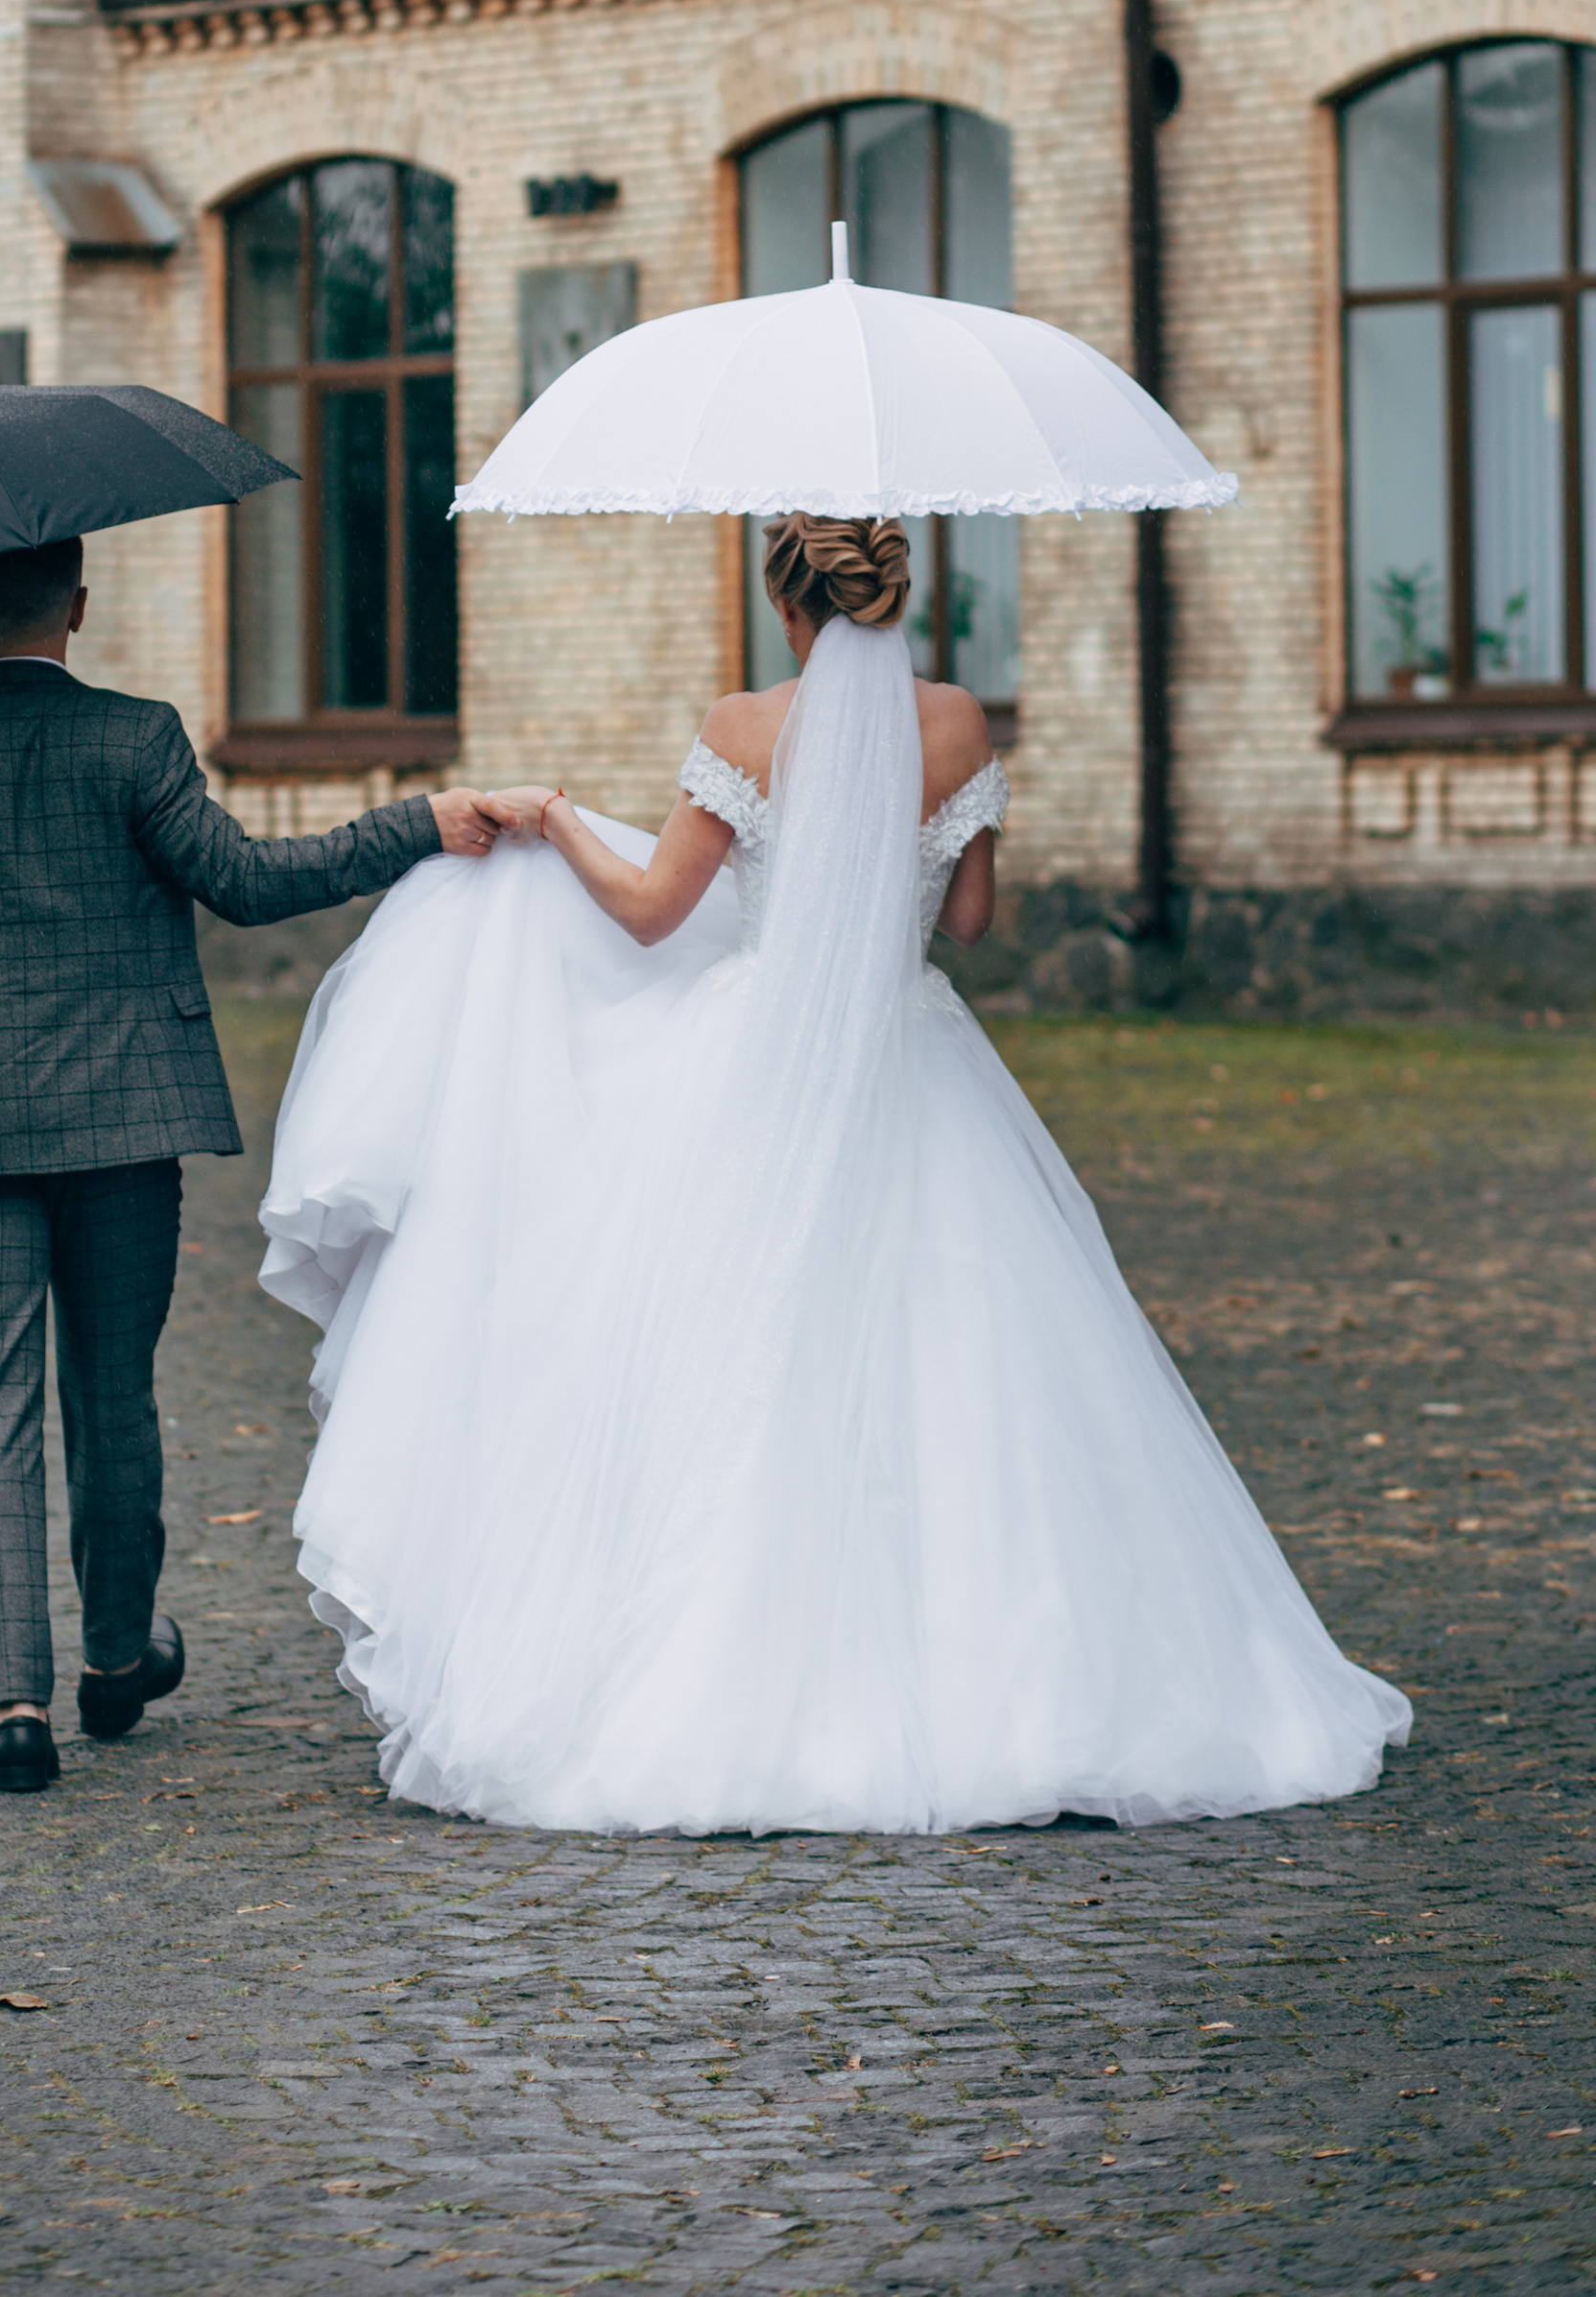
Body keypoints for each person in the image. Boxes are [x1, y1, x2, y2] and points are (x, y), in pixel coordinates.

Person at [260, 514, 1412, 1837]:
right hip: (913, 1058)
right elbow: (969, 921)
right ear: (893, 592)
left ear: (784, 601)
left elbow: (648, 913)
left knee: (717, 1353)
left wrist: (558, 820)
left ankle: (720, 1671)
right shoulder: (959, 724)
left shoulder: (747, 727)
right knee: (975, 1364)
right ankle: (1020, 1679)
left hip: (754, 1065)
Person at [0, 533, 499, 1793]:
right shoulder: (135, 737)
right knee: (113, 1394)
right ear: (77, 603)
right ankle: (120, 1657)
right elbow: (242, 882)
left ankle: (15, 1704)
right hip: (124, 1115)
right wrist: (418, 825)